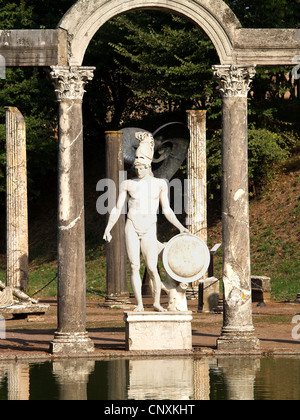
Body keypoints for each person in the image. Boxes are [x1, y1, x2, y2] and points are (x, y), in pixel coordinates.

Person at [103, 132, 188, 312]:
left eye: (142, 167)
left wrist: (180, 227)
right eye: (136, 167)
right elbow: (118, 208)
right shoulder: (128, 184)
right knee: (134, 266)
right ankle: (140, 304)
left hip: (149, 226)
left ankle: (156, 302)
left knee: (151, 267)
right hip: (132, 225)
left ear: (148, 165)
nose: (138, 170)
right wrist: (108, 228)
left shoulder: (159, 184)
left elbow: (167, 210)